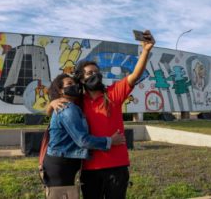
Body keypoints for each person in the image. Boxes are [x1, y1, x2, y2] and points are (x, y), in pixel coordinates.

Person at [49, 30, 155, 199]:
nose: (95, 75)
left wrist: (146, 51)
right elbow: (57, 111)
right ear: (81, 80)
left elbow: (134, 76)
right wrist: (52, 102)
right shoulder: (78, 102)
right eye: (89, 73)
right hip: (90, 169)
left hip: (117, 167)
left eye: (97, 72)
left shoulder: (113, 94)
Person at [43, 73, 126, 190]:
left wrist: (52, 103)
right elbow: (83, 140)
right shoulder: (67, 108)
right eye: (69, 84)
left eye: (76, 83)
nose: (75, 86)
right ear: (60, 90)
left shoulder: (71, 105)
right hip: (61, 163)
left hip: (64, 162)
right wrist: (110, 141)